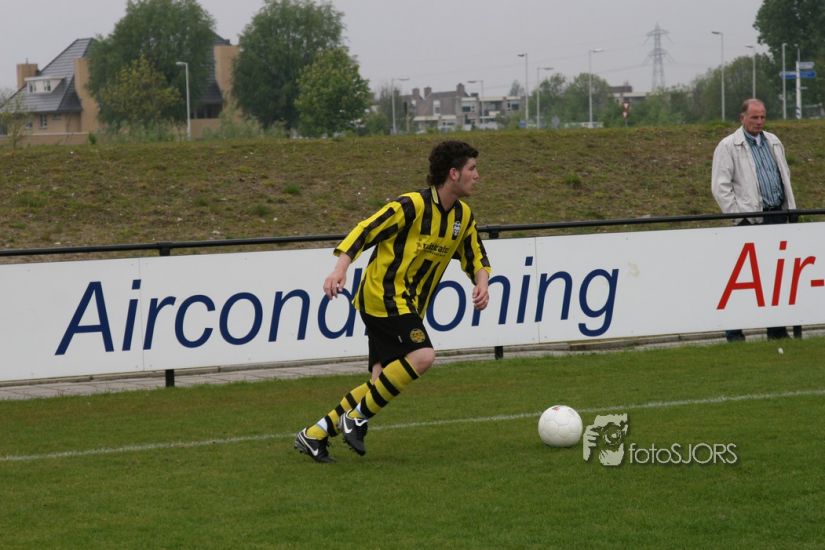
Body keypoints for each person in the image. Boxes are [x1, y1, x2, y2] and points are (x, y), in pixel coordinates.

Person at [294, 140, 492, 463]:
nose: (477, 175)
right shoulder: (412, 205)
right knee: (423, 356)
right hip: (383, 294)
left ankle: (314, 434)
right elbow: (366, 230)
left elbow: (476, 257)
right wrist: (340, 268)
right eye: (472, 168)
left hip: (407, 304)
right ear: (453, 173)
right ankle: (356, 418)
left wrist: (482, 284)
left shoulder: (463, 217)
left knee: (380, 381)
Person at [711, 98, 797, 342]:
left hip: (777, 216)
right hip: (751, 222)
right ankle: (734, 332)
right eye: (754, 117)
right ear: (742, 118)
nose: (759, 121)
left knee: (776, 278)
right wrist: (740, 218)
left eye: (762, 117)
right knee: (744, 279)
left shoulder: (774, 142)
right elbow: (720, 187)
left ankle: (777, 330)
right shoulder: (728, 146)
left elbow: (784, 176)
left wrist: (789, 208)